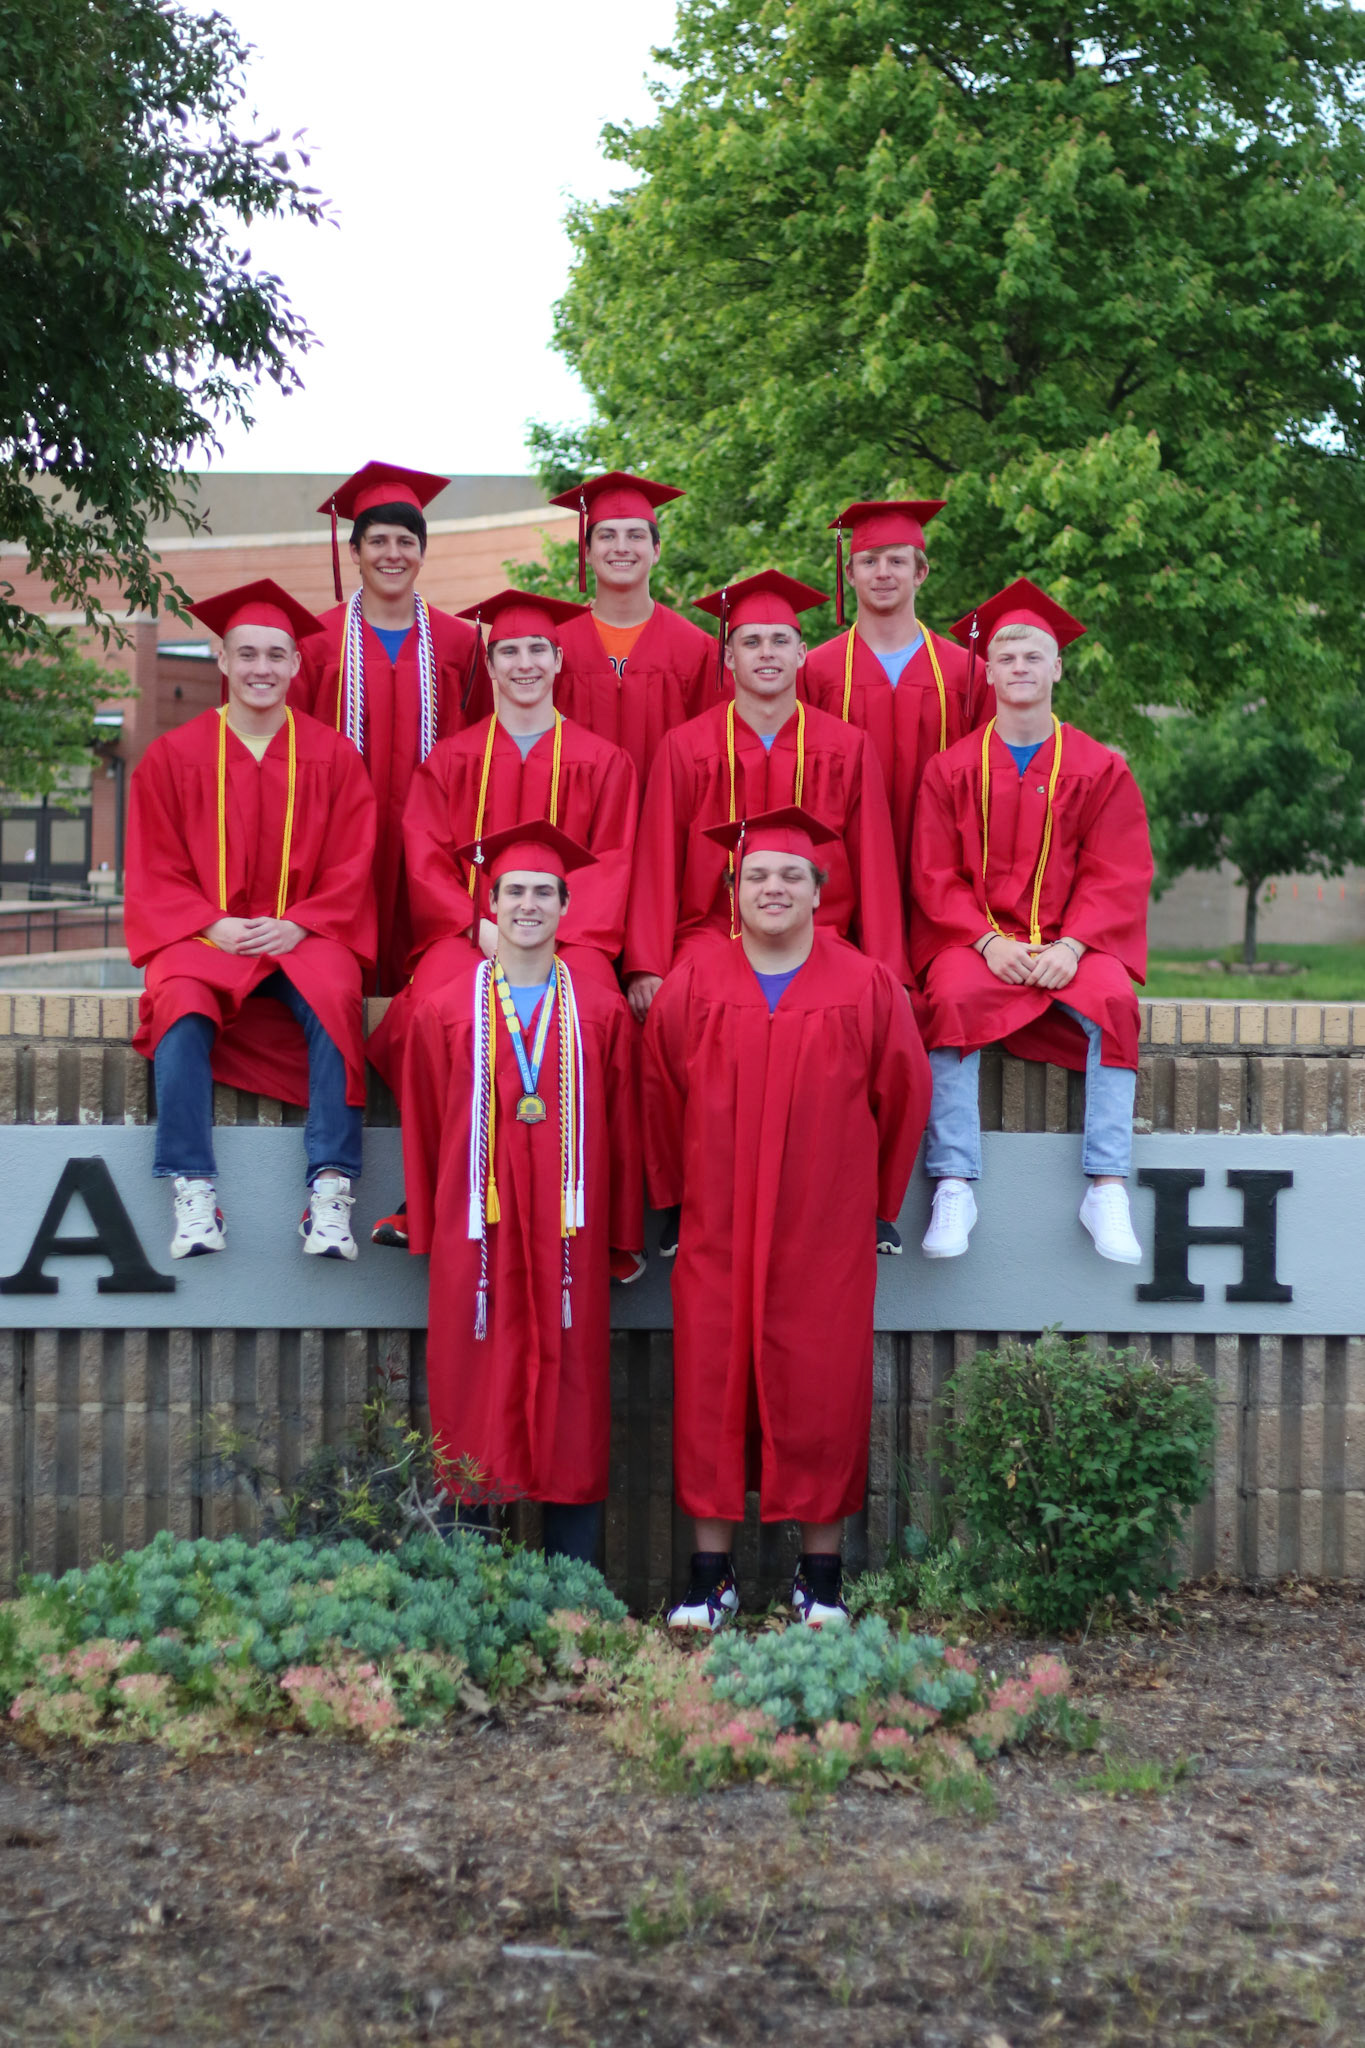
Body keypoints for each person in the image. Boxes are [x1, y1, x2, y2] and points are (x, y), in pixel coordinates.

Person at [642, 805, 929, 1628]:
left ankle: (821, 1575)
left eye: (790, 876)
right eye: (757, 876)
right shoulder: (697, 978)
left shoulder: (865, 984)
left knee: (823, 1389)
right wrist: (677, 1198)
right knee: (709, 1389)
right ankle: (709, 1574)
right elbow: (659, 1094)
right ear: (733, 891)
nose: (773, 887)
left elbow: (901, 1094)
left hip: (824, 1228)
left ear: (818, 891)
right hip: (718, 1226)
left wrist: (870, 1205)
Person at [400, 822, 644, 1564]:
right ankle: (470, 1590)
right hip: (478, 1239)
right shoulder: (443, 1009)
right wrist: (433, 1228)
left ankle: (576, 1595)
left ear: (566, 908)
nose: (528, 905)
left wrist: (619, 1239)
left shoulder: (599, 1012)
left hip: (568, 1243)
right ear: (492, 906)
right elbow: (423, 1123)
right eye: (515, 892)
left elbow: (627, 1135)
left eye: (544, 892)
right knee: (476, 1392)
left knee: (572, 1403)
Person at [365, 588, 638, 1246]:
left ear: (558, 660)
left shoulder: (603, 762)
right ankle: (432, 1190)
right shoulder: (450, 761)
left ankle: (595, 1212)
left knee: (598, 1008)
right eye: (508, 652)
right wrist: (478, 924)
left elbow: (611, 863)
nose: (522, 664)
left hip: (569, 938)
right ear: (488, 669)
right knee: (428, 1007)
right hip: (469, 933)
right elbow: (425, 858)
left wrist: (545, 934)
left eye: (535, 651)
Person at [126, 580, 377, 1260]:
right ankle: (193, 1186)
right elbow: (153, 867)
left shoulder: (333, 756)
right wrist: (210, 924)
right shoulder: (172, 758)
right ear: (221, 660)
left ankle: (330, 1188)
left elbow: (353, 863)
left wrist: (301, 923)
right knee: (176, 1000)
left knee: (334, 996)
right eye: (246, 654)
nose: (261, 668)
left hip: (302, 935)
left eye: (275, 654)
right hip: (206, 937)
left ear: (297, 664)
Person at [910, 579, 1153, 1264]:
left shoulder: (1099, 767)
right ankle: (954, 1181)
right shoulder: (950, 769)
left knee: (1112, 1002)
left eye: (1032, 656)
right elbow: (933, 874)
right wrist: (986, 941)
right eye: (1007, 657)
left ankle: (1106, 1183)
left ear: (1056, 668)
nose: (1019, 667)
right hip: (975, 940)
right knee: (949, 1000)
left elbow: (1120, 870)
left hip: (1073, 941)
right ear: (986, 671)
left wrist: (1073, 946)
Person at [625, 569, 907, 1022]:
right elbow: (658, 860)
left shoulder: (847, 747)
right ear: (729, 658)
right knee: (681, 1004)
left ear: (801, 654)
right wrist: (647, 965)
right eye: (751, 642)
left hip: (821, 933)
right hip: (712, 934)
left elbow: (874, 864)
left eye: (779, 641)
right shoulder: (686, 746)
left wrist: (892, 968)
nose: (766, 653)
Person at [290, 461, 491, 992]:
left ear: (423, 552)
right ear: (353, 551)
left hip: (437, 840)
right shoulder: (315, 644)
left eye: (406, 541)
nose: (392, 554)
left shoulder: (460, 644)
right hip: (337, 842)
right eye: (377, 541)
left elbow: (483, 743)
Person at [801, 499, 988, 872]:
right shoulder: (815, 672)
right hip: (845, 870)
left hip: (943, 867)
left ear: (921, 573)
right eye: (869, 561)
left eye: (897, 561)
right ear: (850, 573)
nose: (882, 573)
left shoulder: (966, 673)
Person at [548, 469, 718, 787]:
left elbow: (716, 752)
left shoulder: (697, 649)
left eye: (635, 535)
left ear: (656, 551)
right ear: (586, 552)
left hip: (668, 824)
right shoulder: (556, 645)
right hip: (576, 826)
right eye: (607, 535)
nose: (621, 547)